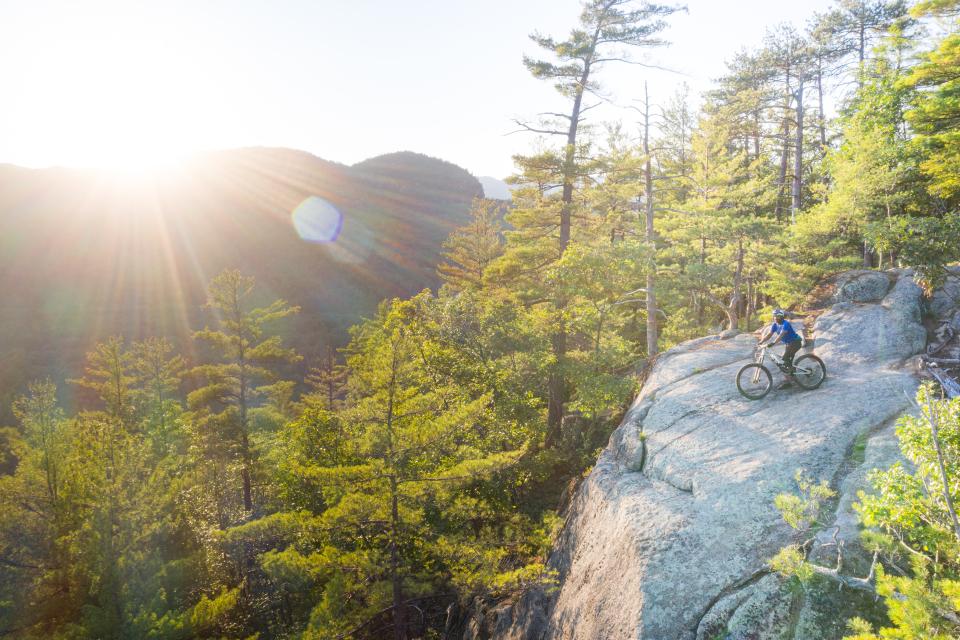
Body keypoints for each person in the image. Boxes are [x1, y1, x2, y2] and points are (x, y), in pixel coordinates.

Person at [759, 308, 803, 376]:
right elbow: (769, 334)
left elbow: (782, 334)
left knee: (784, 360)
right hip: (788, 344)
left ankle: (792, 373)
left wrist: (774, 342)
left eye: (778, 316)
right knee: (785, 363)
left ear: (782, 317)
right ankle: (791, 374)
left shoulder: (786, 323)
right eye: (774, 316)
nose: (776, 318)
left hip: (795, 342)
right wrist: (761, 341)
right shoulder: (775, 324)